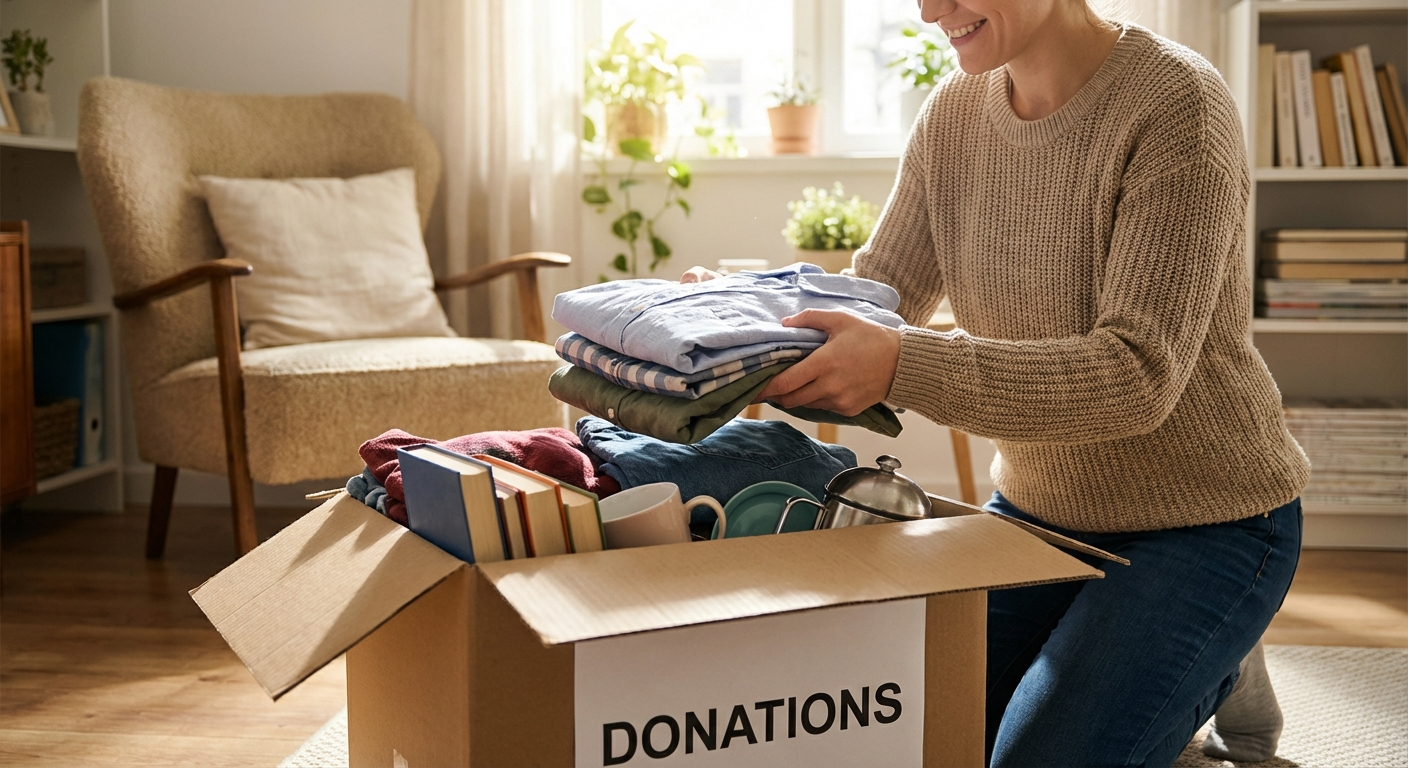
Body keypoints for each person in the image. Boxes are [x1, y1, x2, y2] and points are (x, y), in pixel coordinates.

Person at [682, 1, 1310, 765]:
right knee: (904, 740)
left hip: (1207, 520)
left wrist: (904, 362)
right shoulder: (954, 112)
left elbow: (1137, 377)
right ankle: (1190, 657)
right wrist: (740, 318)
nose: (928, 10)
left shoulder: (1178, 103)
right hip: (1037, 513)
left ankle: (1202, 654)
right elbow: (879, 291)